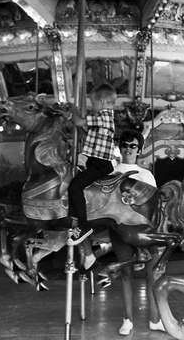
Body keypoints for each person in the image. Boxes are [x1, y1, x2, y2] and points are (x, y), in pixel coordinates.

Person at [110, 130, 164, 335]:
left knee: (153, 274)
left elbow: (154, 205)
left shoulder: (147, 174)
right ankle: (127, 319)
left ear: (139, 150)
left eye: (132, 146)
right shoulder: (111, 174)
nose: (128, 149)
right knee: (126, 273)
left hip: (145, 230)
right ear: (119, 147)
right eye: (124, 145)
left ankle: (154, 318)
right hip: (120, 228)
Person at [69, 84, 117, 269]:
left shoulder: (104, 116)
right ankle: (76, 218)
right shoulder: (103, 120)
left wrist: (72, 108)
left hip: (100, 164)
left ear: (102, 102)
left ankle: (84, 225)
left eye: (93, 102)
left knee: (75, 186)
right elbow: (86, 132)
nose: (92, 105)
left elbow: (79, 122)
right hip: (95, 162)